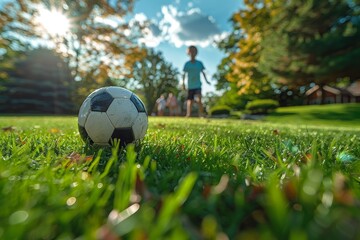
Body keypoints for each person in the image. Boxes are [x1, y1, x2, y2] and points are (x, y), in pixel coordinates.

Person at [182, 45, 210, 117]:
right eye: (191, 51)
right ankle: (188, 114)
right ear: (188, 53)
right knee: (190, 101)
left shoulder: (199, 63)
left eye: (194, 51)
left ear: (196, 53)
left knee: (199, 99)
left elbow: (203, 72)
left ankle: (201, 114)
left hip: (198, 85)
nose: (192, 53)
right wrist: (183, 84)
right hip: (190, 85)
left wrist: (206, 81)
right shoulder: (187, 64)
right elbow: (184, 74)